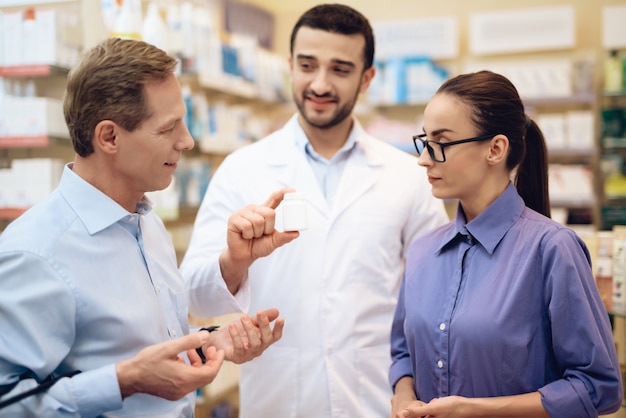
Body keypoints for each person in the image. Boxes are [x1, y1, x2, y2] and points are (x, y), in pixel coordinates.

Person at [180, 4, 449, 417]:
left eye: (340, 69)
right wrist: (235, 261)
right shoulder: (242, 169)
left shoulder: (406, 176)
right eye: (307, 65)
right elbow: (193, 296)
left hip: (379, 400)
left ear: (367, 78)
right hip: (279, 399)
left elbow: (437, 296)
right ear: (290, 65)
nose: (319, 84)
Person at [0, 37, 284, 417]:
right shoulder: (36, 253)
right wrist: (122, 381)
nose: (187, 140)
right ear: (109, 137)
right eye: (169, 129)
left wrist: (214, 343)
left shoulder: (146, 225)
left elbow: (150, 354)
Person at [389, 70, 623, 418]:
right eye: (424, 141)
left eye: (440, 143)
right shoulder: (423, 251)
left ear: (496, 149)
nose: (423, 158)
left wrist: (479, 410)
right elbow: (403, 353)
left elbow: (598, 388)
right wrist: (403, 397)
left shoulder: (553, 249)